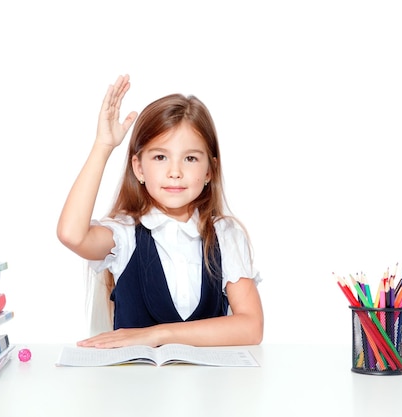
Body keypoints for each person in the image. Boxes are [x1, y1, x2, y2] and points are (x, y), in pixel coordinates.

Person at [57, 74, 263, 348]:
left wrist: (157, 334)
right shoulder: (126, 234)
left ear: (208, 171)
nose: (175, 172)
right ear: (139, 168)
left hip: (210, 390)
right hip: (135, 388)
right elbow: (72, 235)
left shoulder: (225, 235)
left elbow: (251, 326)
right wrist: (103, 146)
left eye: (190, 158)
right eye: (160, 157)